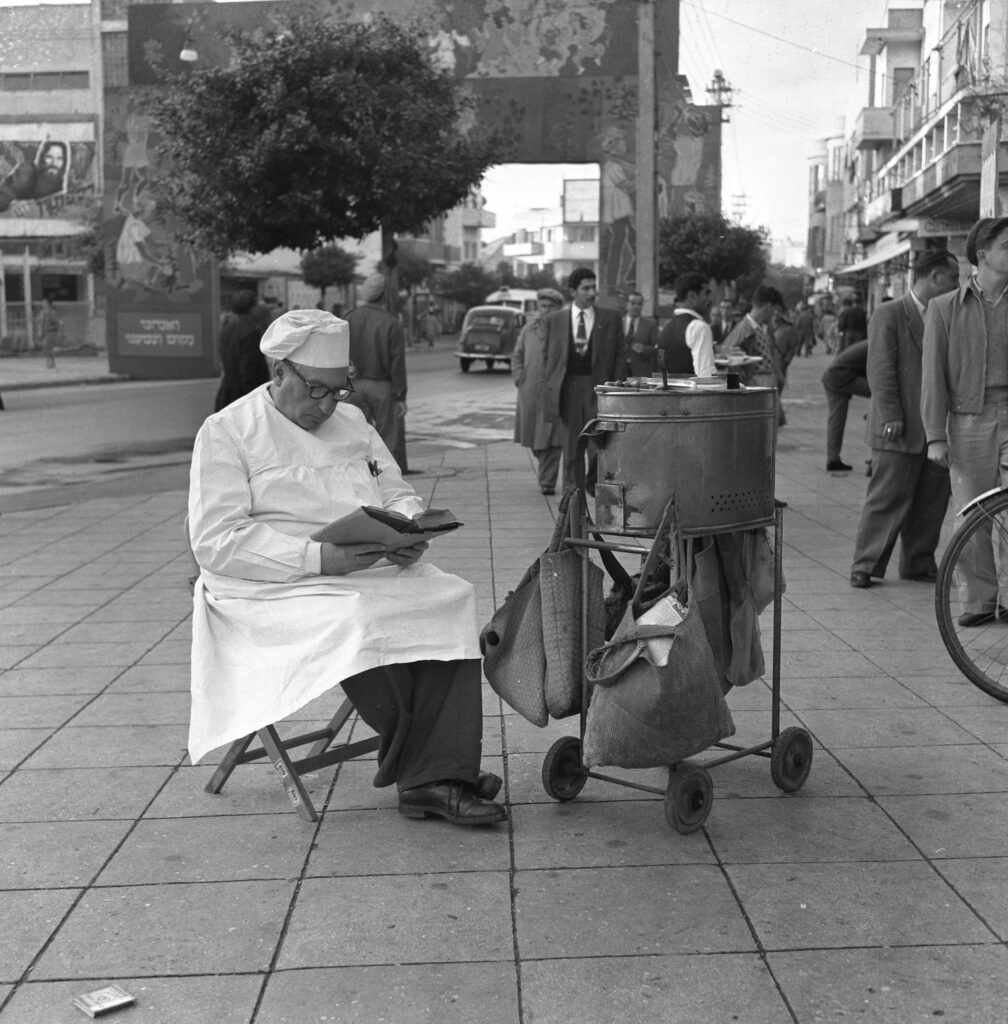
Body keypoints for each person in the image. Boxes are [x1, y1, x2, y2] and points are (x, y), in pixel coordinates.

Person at [187, 309, 506, 826]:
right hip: (268, 583)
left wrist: (408, 530)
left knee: (451, 596)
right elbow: (216, 541)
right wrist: (316, 558)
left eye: (340, 390)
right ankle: (433, 772)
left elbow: (396, 491)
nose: (328, 404)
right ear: (280, 373)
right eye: (318, 390)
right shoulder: (228, 431)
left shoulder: (353, 422)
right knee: (360, 617)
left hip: (363, 567)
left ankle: (433, 770)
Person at [849, 250, 959, 589]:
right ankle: (864, 564)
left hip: (936, 428)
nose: (957, 284)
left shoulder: (948, 315)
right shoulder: (890, 313)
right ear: (935, 277)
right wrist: (892, 416)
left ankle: (918, 562)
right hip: (897, 427)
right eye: (953, 278)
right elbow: (880, 370)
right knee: (887, 497)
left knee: (931, 501)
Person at [923, 217, 1008, 626]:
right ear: (982, 255)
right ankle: (978, 600)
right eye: (1007, 246)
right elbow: (932, 377)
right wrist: (935, 436)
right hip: (968, 421)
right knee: (974, 513)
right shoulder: (943, 310)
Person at [540, 267, 622, 491]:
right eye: (586, 288)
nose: (591, 292)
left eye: (593, 287)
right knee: (572, 451)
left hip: (599, 391)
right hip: (568, 391)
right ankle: (573, 504)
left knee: (600, 447)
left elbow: (619, 358)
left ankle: (596, 491)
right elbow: (547, 360)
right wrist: (548, 392)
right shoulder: (554, 321)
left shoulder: (611, 319)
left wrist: (617, 392)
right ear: (573, 291)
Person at [346, 273, 408, 471]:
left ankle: (361, 477)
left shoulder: (348, 319)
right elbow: (397, 362)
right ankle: (386, 481)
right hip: (381, 386)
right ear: (385, 295)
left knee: (356, 437)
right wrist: (400, 395)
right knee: (387, 438)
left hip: (352, 386)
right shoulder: (391, 323)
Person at [512, 287, 566, 493]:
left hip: (554, 393)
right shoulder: (529, 329)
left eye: (551, 306)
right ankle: (546, 473)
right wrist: (520, 378)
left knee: (552, 438)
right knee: (534, 439)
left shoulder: (565, 330)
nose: (546, 310)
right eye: (543, 306)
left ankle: (547, 482)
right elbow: (517, 355)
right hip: (530, 393)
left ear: (559, 309)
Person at [724, 285, 786, 423]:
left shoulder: (759, 329)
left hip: (765, 390)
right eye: (774, 309)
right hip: (756, 391)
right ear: (768, 306)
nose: (774, 314)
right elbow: (729, 365)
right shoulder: (744, 331)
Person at [213, 289, 270, 412]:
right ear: (252, 309)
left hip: (226, 394)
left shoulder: (227, 330)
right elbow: (248, 371)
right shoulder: (251, 332)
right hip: (243, 398)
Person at [821, 340, 870, 473]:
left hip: (832, 376)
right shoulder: (876, 345)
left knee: (836, 421)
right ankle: (876, 456)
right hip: (840, 377)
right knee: (883, 393)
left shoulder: (868, 343)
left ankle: (833, 459)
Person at [656, 272, 716, 376]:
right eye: (706, 293)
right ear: (691, 296)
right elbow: (705, 375)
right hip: (693, 391)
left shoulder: (667, 326)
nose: (711, 299)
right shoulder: (699, 327)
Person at [621, 290, 658, 377]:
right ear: (626, 305)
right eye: (633, 303)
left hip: (641, 371)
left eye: (639, 304)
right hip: (620, 371)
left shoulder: (650, 324)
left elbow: (657, 348)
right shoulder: (618, 323)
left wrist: (644, 349)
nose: (636, 307)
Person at [38, 295, 61, 368]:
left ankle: (50, 362)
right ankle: (50, 362)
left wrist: (49, 328)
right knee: (47, 348)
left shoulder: (52, 312)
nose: (43, 303)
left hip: (51, 332)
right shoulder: (42, 312)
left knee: (46, 347)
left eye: (44, 302)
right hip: (44, 332)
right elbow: (40, 322)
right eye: (43, 302)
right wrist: (40, 331)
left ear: (48, 303)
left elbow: (56, 324)